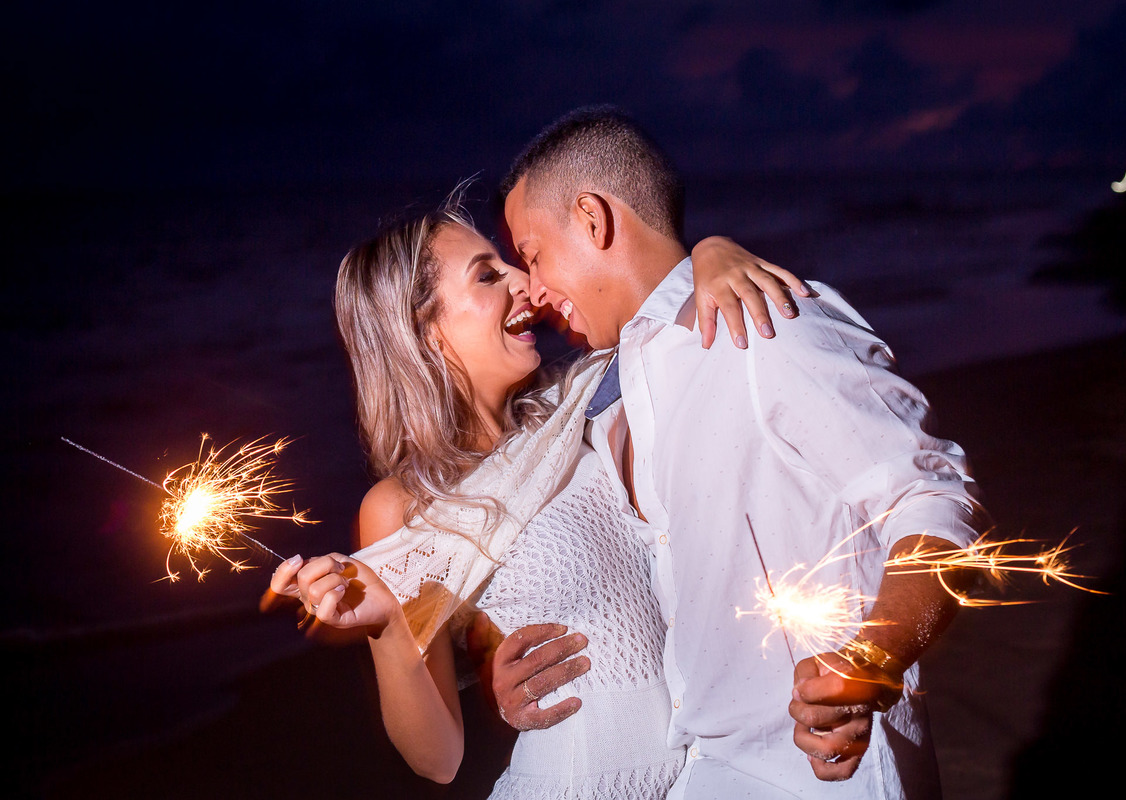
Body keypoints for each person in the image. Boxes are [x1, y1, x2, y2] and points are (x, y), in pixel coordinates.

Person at [494, 106, 986, 799]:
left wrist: (873, 659)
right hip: (701, 768)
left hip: (820, 769)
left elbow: (935, 498)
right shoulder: (610, 401)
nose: (534, 289)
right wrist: (503, 664)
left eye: (534, 254)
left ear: (593, 219)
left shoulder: (763, 326)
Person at [265, 190, 807, 797]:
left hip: (703, 774)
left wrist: (710, 253)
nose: (522, 281)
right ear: (428, 332)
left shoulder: (587, 401)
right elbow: (438, 758)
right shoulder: (406, 506)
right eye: (488, 276)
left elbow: (665, 321)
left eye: (509, 264)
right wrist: (390, 624)